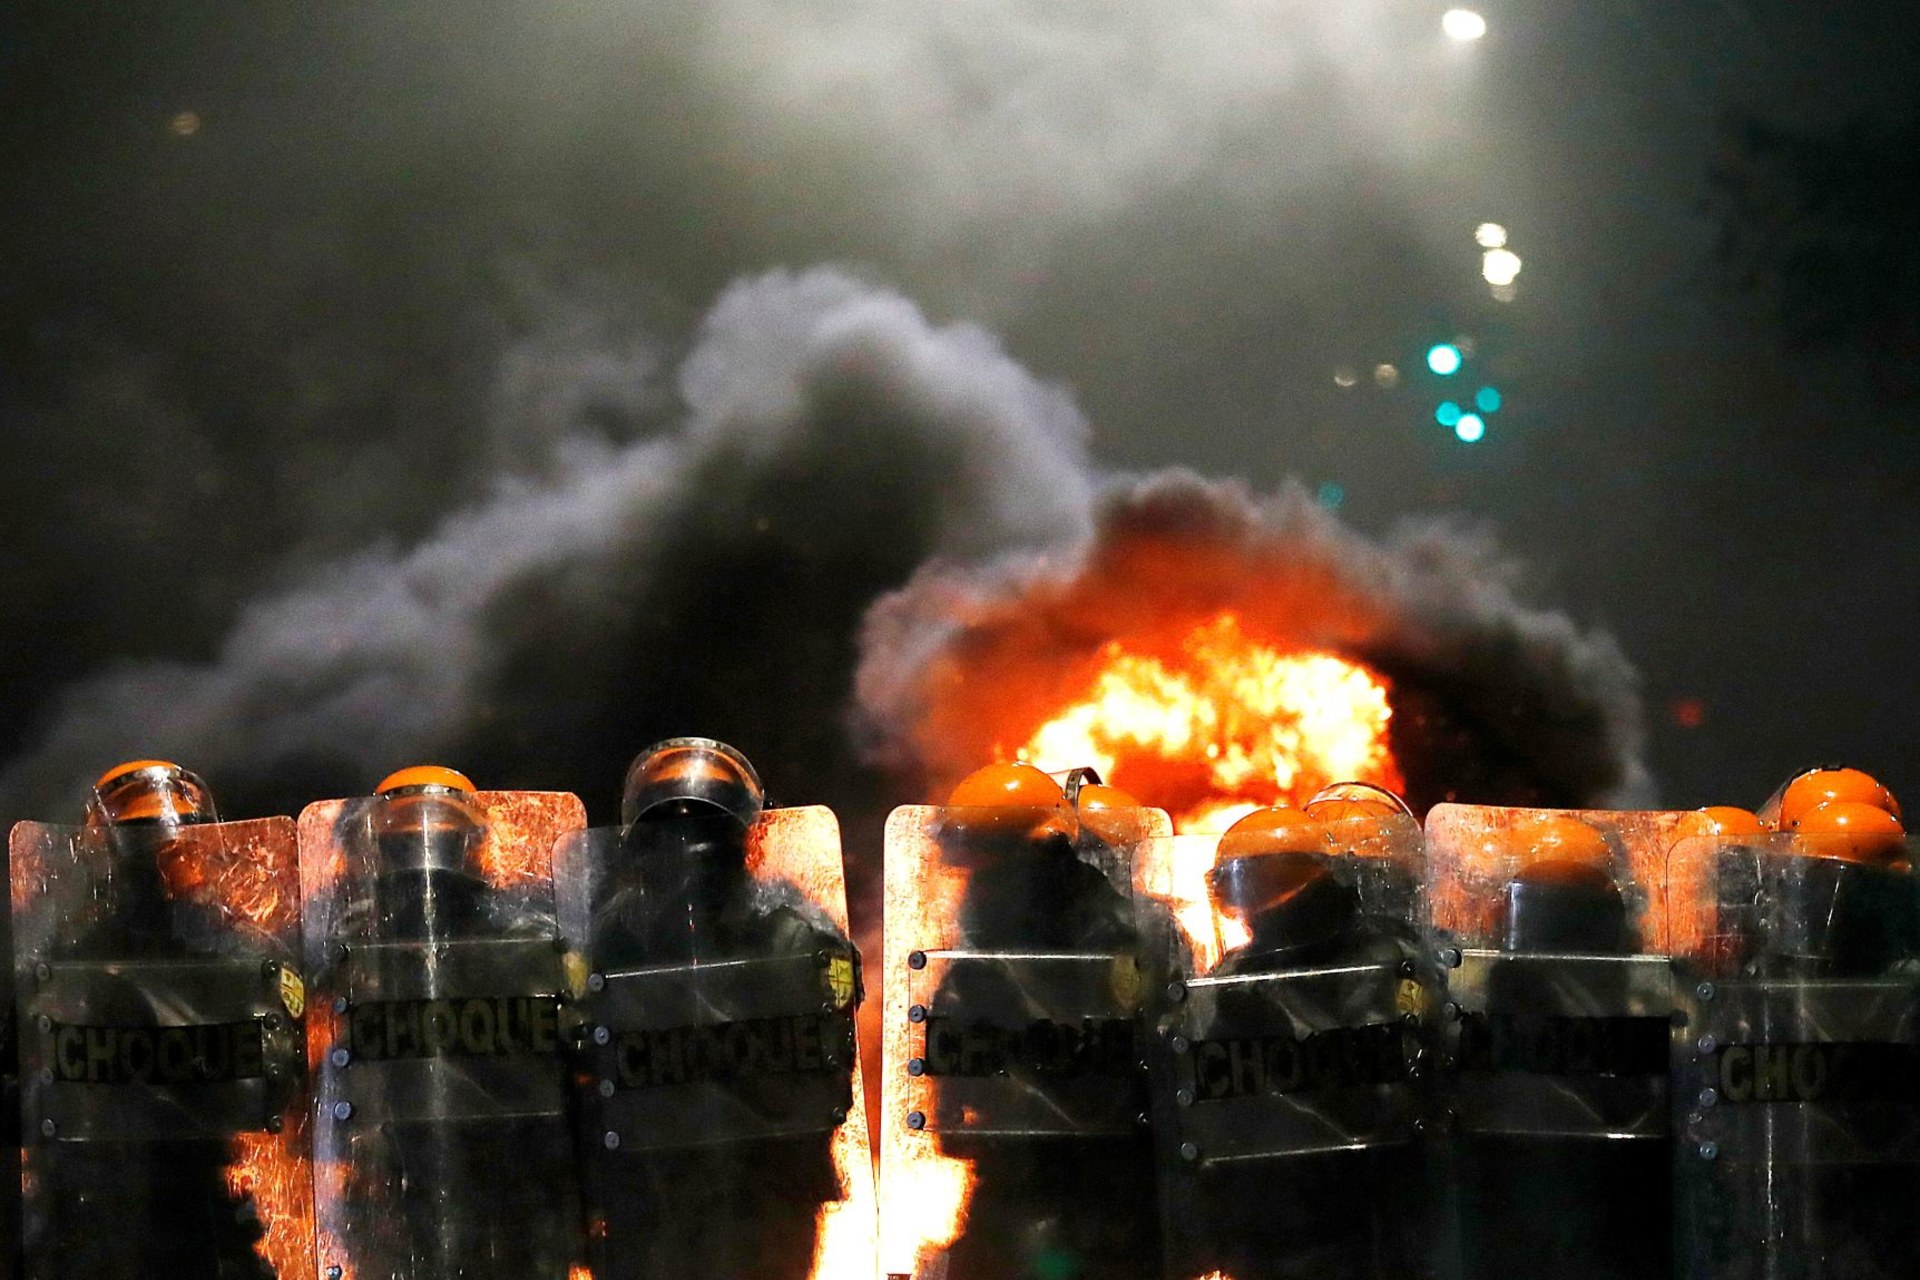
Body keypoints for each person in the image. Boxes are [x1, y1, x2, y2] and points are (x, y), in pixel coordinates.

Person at [580, 738, 859, 1280]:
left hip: (761, 1192)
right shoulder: (611, 945)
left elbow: (827, 1079)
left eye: (706, 832)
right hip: (654, 1192)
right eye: (673, 833)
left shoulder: (798, 940)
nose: (691, 852)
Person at [17, 760, 290, 1279]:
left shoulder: (233, 955)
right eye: (149, 845)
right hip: (121, 1215)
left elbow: (279, 1079)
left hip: (177, 1213)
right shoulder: (72, 965)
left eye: (171, 843)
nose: (165, 858)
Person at [315, 766, 579, 1279]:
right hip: (407, 1206)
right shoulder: (354, 957)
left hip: (500, 1207)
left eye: (431, 840)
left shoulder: (525, 946)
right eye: (407, 844)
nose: (419, 865)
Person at [1164, 789, 1430, 1280]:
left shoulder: (1385, 967)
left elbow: (1392, 1108)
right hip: (1284, 1230)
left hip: (1360, 1230)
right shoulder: (1227, 987)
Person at [924, 762, 1157, 1280]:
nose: (974, 888)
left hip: (1110, 1206)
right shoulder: (981, 962)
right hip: (1012, 1191)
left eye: (986, 870)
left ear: (1040, 854)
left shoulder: (1131, 940)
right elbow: (949, 1107)